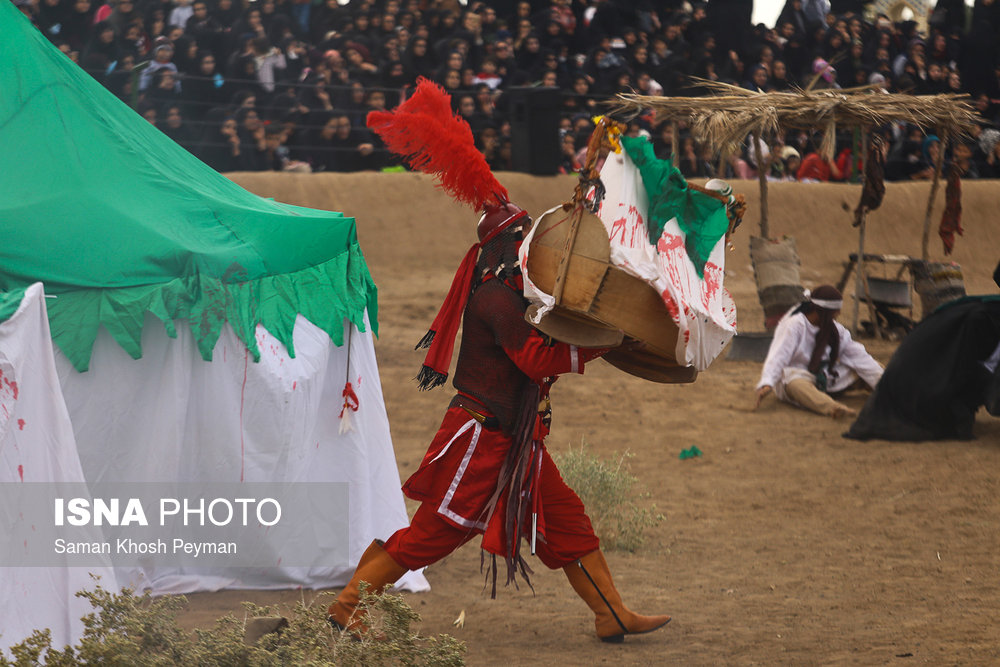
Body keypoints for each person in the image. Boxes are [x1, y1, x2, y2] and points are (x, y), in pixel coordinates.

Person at [327, 79, 671, 645]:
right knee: (433, 535)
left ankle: (610, 612)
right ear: (511, 247)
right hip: (481, 436)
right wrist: (602, 345)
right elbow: (537, 361)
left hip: (517, 438)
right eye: (527, 239)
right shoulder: (496, 296)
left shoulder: (512, 289)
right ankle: (348, 603)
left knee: (565, 521)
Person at [755, 285, 884, 418]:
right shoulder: (794, 325)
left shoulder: (837, 330)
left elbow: (860, 357)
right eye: (834, 311)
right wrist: (767, 382)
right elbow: (779, 356)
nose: (838, 314)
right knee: (796, 385)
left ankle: (893, 394)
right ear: (822, 311)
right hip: (796, 376)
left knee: (873, 367)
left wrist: (888, 383)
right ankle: (833, 408)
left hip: (825, 376)